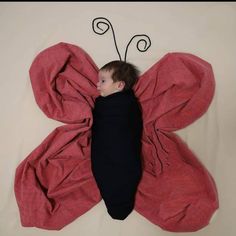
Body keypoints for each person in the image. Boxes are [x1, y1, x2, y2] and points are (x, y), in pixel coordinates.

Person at [91, 60, 143, 220]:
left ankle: (119, 203)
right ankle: (117, 203)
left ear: (119, 85)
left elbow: (133, 127)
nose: (97, 84)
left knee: (121, 171)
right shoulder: (102, 104)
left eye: (103, 81)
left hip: (123, 152)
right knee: (107, 171)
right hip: (105, 151)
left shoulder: (128, 105)